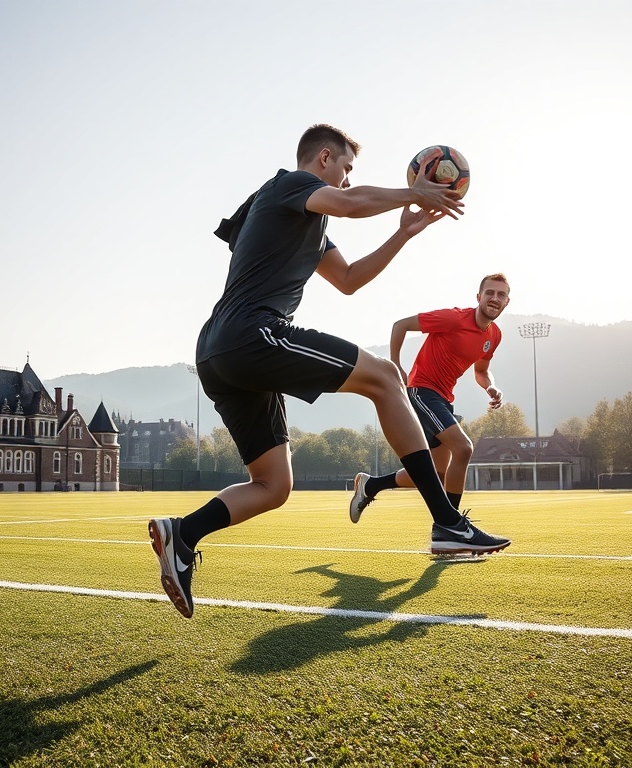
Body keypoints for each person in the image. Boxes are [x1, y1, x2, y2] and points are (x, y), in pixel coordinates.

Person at [148, 124, 510, 619]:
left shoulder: (307, 221)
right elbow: (351, 203)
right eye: (345, 168)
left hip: (219, 353)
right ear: (323, 158)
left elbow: (348, 280)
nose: (345, 179)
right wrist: (413, 190)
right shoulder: (288, 185)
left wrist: (401, 233)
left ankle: (182, 534)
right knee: (385, 376)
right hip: (250, 334)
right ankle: (447, 522)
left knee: (273, 485)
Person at [348, 273, 512, 541]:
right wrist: (395, 366)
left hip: (444, 399)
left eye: (501, 295)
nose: (495, 298)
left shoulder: (493, 335)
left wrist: (490, 386)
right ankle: (452, 528)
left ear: (507, 302)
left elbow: (482, 371)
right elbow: (400, 325)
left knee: (434, 474)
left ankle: (371, 485)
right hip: (421, 391)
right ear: (479, 297)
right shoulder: (453, 318)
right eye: (490, 293)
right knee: (463, 448)